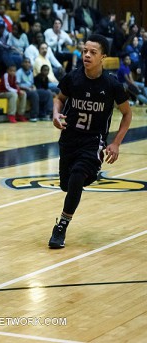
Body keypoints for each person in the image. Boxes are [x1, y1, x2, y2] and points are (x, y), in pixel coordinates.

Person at [48, 34, 132, 249]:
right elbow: (59, 99)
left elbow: (127, 114)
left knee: (77, 176)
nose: (87, 55)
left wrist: (116, 143)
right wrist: (56, 115)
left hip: (93, 141)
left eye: (93, 52)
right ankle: (84, 175)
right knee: (67, 185)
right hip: (69, 139)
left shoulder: (112, 84)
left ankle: (61, 227)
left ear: (103, 56)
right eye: (85, 50)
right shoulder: (73, 78)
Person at [16, 57, 53, 122]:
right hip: (23, 90)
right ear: (22, 64)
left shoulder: (30, 72)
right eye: (26, 62)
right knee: (34, 94)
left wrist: (33, 86)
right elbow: (17, 85)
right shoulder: (19, 72)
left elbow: (32, 83)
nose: (27, 64)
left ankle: (45, 114)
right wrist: (27, 88)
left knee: (48, 93)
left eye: (29, 62)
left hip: (31, 89)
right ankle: (34, 116)